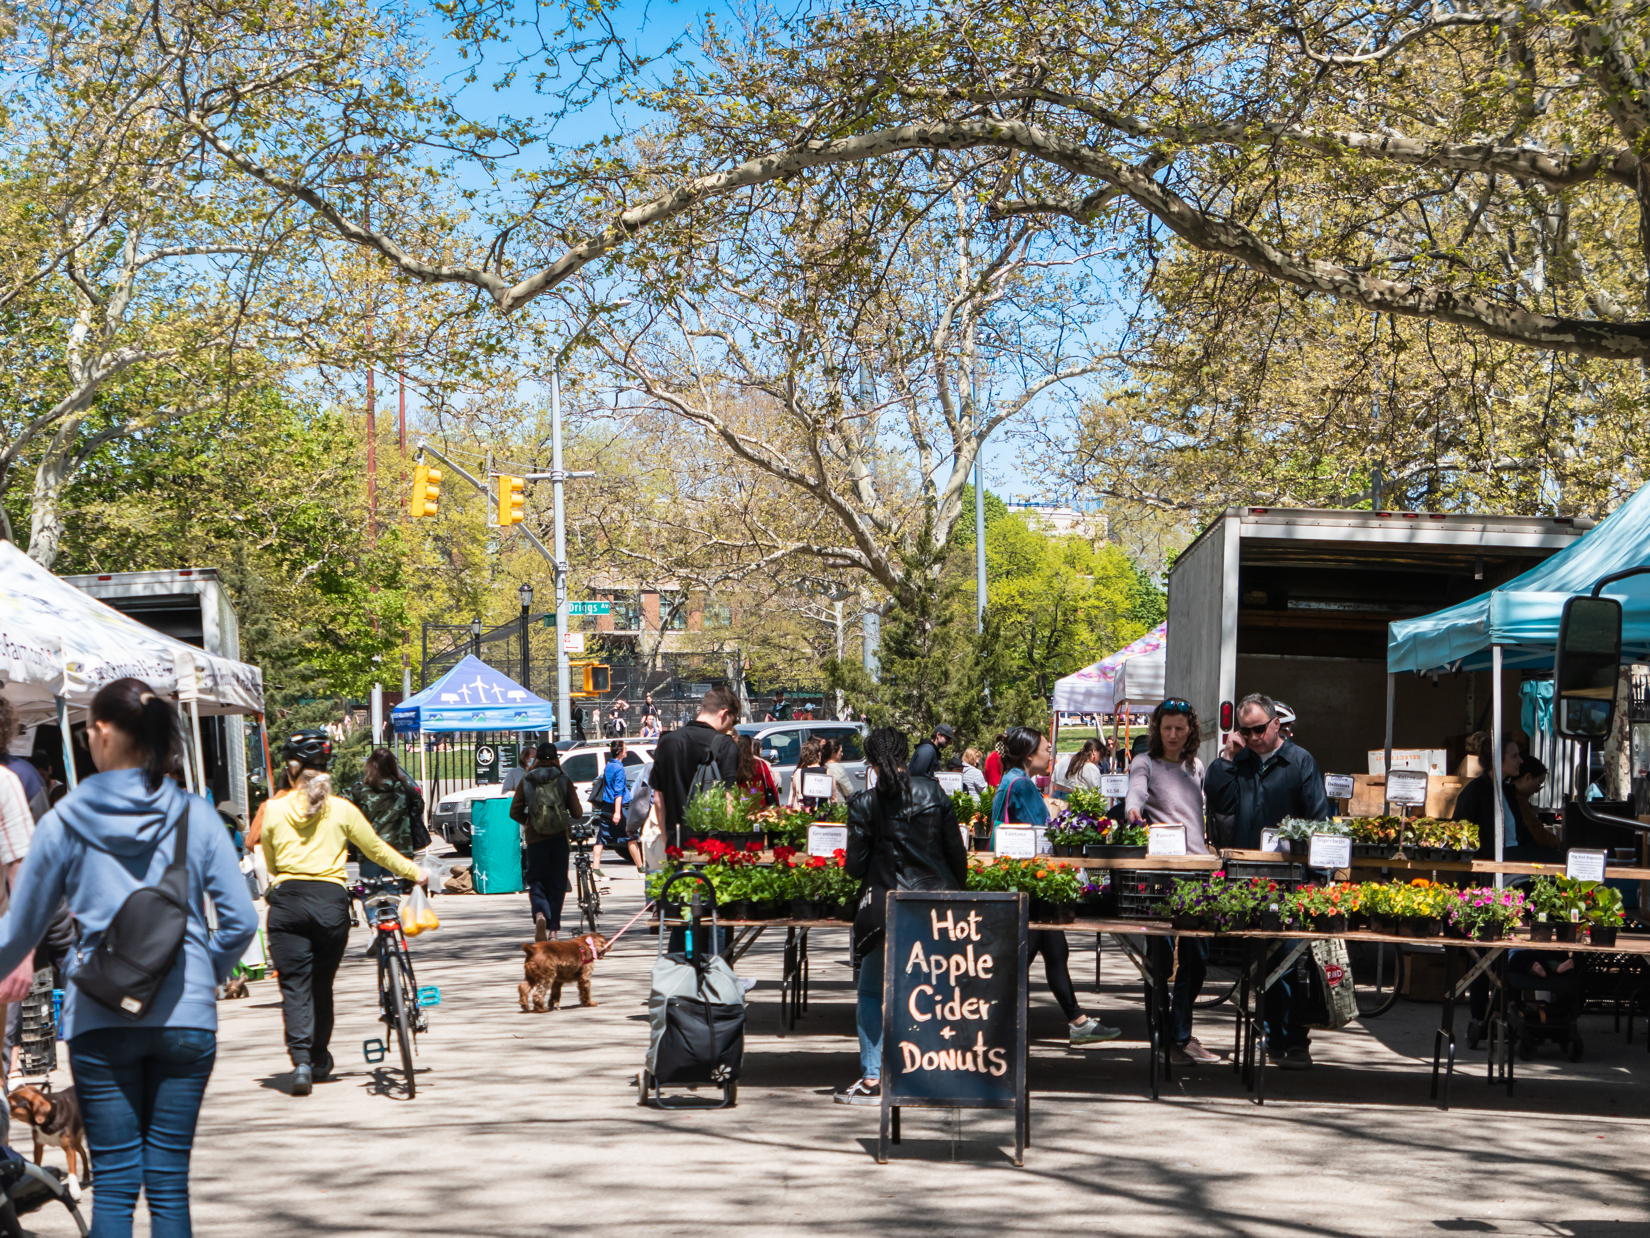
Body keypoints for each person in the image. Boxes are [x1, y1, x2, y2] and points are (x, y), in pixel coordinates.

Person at [0, 678, 255, 1236]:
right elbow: (240, 922)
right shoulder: (195, 815)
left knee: (114, 1183)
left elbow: (20, 932)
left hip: (101, 1018)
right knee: (168, 1182)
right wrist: (201, 978)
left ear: (106, 733)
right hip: (186, 1022)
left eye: (89, 726)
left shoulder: (66, 820)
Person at [261, 730, 425, 1096]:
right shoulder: (341, 809)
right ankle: (319, 1056)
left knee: (295, 987)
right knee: (321, 984)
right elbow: (377, 850)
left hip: (287, 901)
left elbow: (270, 860)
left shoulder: (274, 809)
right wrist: (416, 872)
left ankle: (302, 1061)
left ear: (290, 770)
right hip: (329, 904)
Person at [835, 727, 967, 1105]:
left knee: (873, 991)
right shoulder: (934, 793)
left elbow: (855, 868)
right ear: (906, 755)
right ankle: (932, 1070)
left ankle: (874, 1077)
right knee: (936, 990)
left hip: (885, 906)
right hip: (934, 905)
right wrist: (952, 893)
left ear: (872, 763)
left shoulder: (863, 803)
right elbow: (956, 855)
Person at [1205, 693, 1331, 1070]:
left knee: (1292, 958)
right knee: (1257, 959)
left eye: (1259, 728)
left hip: (1290, 876)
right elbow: (1216, 797)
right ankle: (1267, 1030)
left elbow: (1318, 816)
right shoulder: (1237, 761)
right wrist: (1227, 756)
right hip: (1246, 876)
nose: (1254, 736)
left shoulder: (1299, 760)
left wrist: (1318, 877)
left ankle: (1293, 1039)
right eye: (1246, 730)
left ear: (1277, 724)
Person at [991, 726, 1121, 1047]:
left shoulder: (1011, 781)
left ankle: (1077, 1021)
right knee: (1028, 953)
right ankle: (994, 1022)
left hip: (1024, 876)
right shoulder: (1021, 785)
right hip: (1031, 879)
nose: (1050, 753)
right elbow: (1043, 830)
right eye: (1046, 749)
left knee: (1055, 950)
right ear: (1028, 754)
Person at [1127, 699, 1217, 1066]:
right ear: (1157, 730)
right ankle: (1160, 1032)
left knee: (1197, 957)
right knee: (1159, 957)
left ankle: (1181, 1028)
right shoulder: (1144, 762)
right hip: (1159, 870)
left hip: (1196, 868)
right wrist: (1133, 808)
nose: (1174, 734)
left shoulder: (1195, 766)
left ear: (1190, 730)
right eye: (1167, 728)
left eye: (1180, 728)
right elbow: (1136, 789)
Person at [650, 685, 740, 848]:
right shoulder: (725, 745)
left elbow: (658, 799)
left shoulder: (666, 742)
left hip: (676, 840)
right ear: (724, 713)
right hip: (713, 843)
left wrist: (666, 840)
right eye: (734, 721)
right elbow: (729, 799)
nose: (731, 727)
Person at [511, 743, 584, 939]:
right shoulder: (563, 779)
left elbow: (514, 811)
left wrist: (529, 821)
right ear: (555, 758)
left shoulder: (527, 779)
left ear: (537, 758)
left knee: (536, 881)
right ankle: (553, 930)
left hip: (535, 839)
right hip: (559, 838)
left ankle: (540, 913)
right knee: (557, 884)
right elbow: (577, 812)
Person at [345, 748, 427, 880]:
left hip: (369, 848)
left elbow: (342, 807)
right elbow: (418, 808)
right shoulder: (405, 788)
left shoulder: (359, 789)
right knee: (393, 887)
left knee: (370, 887)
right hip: (400, 848)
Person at [1454, 734, 1524, 860]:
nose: (1521, 760)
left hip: (1513, 859)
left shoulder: (1509, 791)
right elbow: (1460, 830)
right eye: (1514, 756)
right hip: (1486, 865)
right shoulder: (1475, 791)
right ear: (1497, 759)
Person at [590, 740, 630, 882]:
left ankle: (595, 869)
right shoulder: (619, 768)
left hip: (606, 806)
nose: (627, 751)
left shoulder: (609, 765)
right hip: (616, 807)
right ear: (620, 752)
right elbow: (618, 792)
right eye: (625, 748)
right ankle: (641, 868)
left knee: (601, 838)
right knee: (631, 837)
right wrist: (618, 812)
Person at [735, 734, 779, 808]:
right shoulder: (760, 764)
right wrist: (777, 805)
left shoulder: (733, 764)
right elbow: (771, 785)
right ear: (750, 748)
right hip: (760, 804)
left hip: (741, 806)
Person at [787, 737, 831, 811]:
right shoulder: (826, 771)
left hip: (803, 813)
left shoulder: (798, 772)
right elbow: (833, 796)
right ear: (819, 754)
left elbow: (792, 795)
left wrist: (789, 808)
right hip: (822, 813)